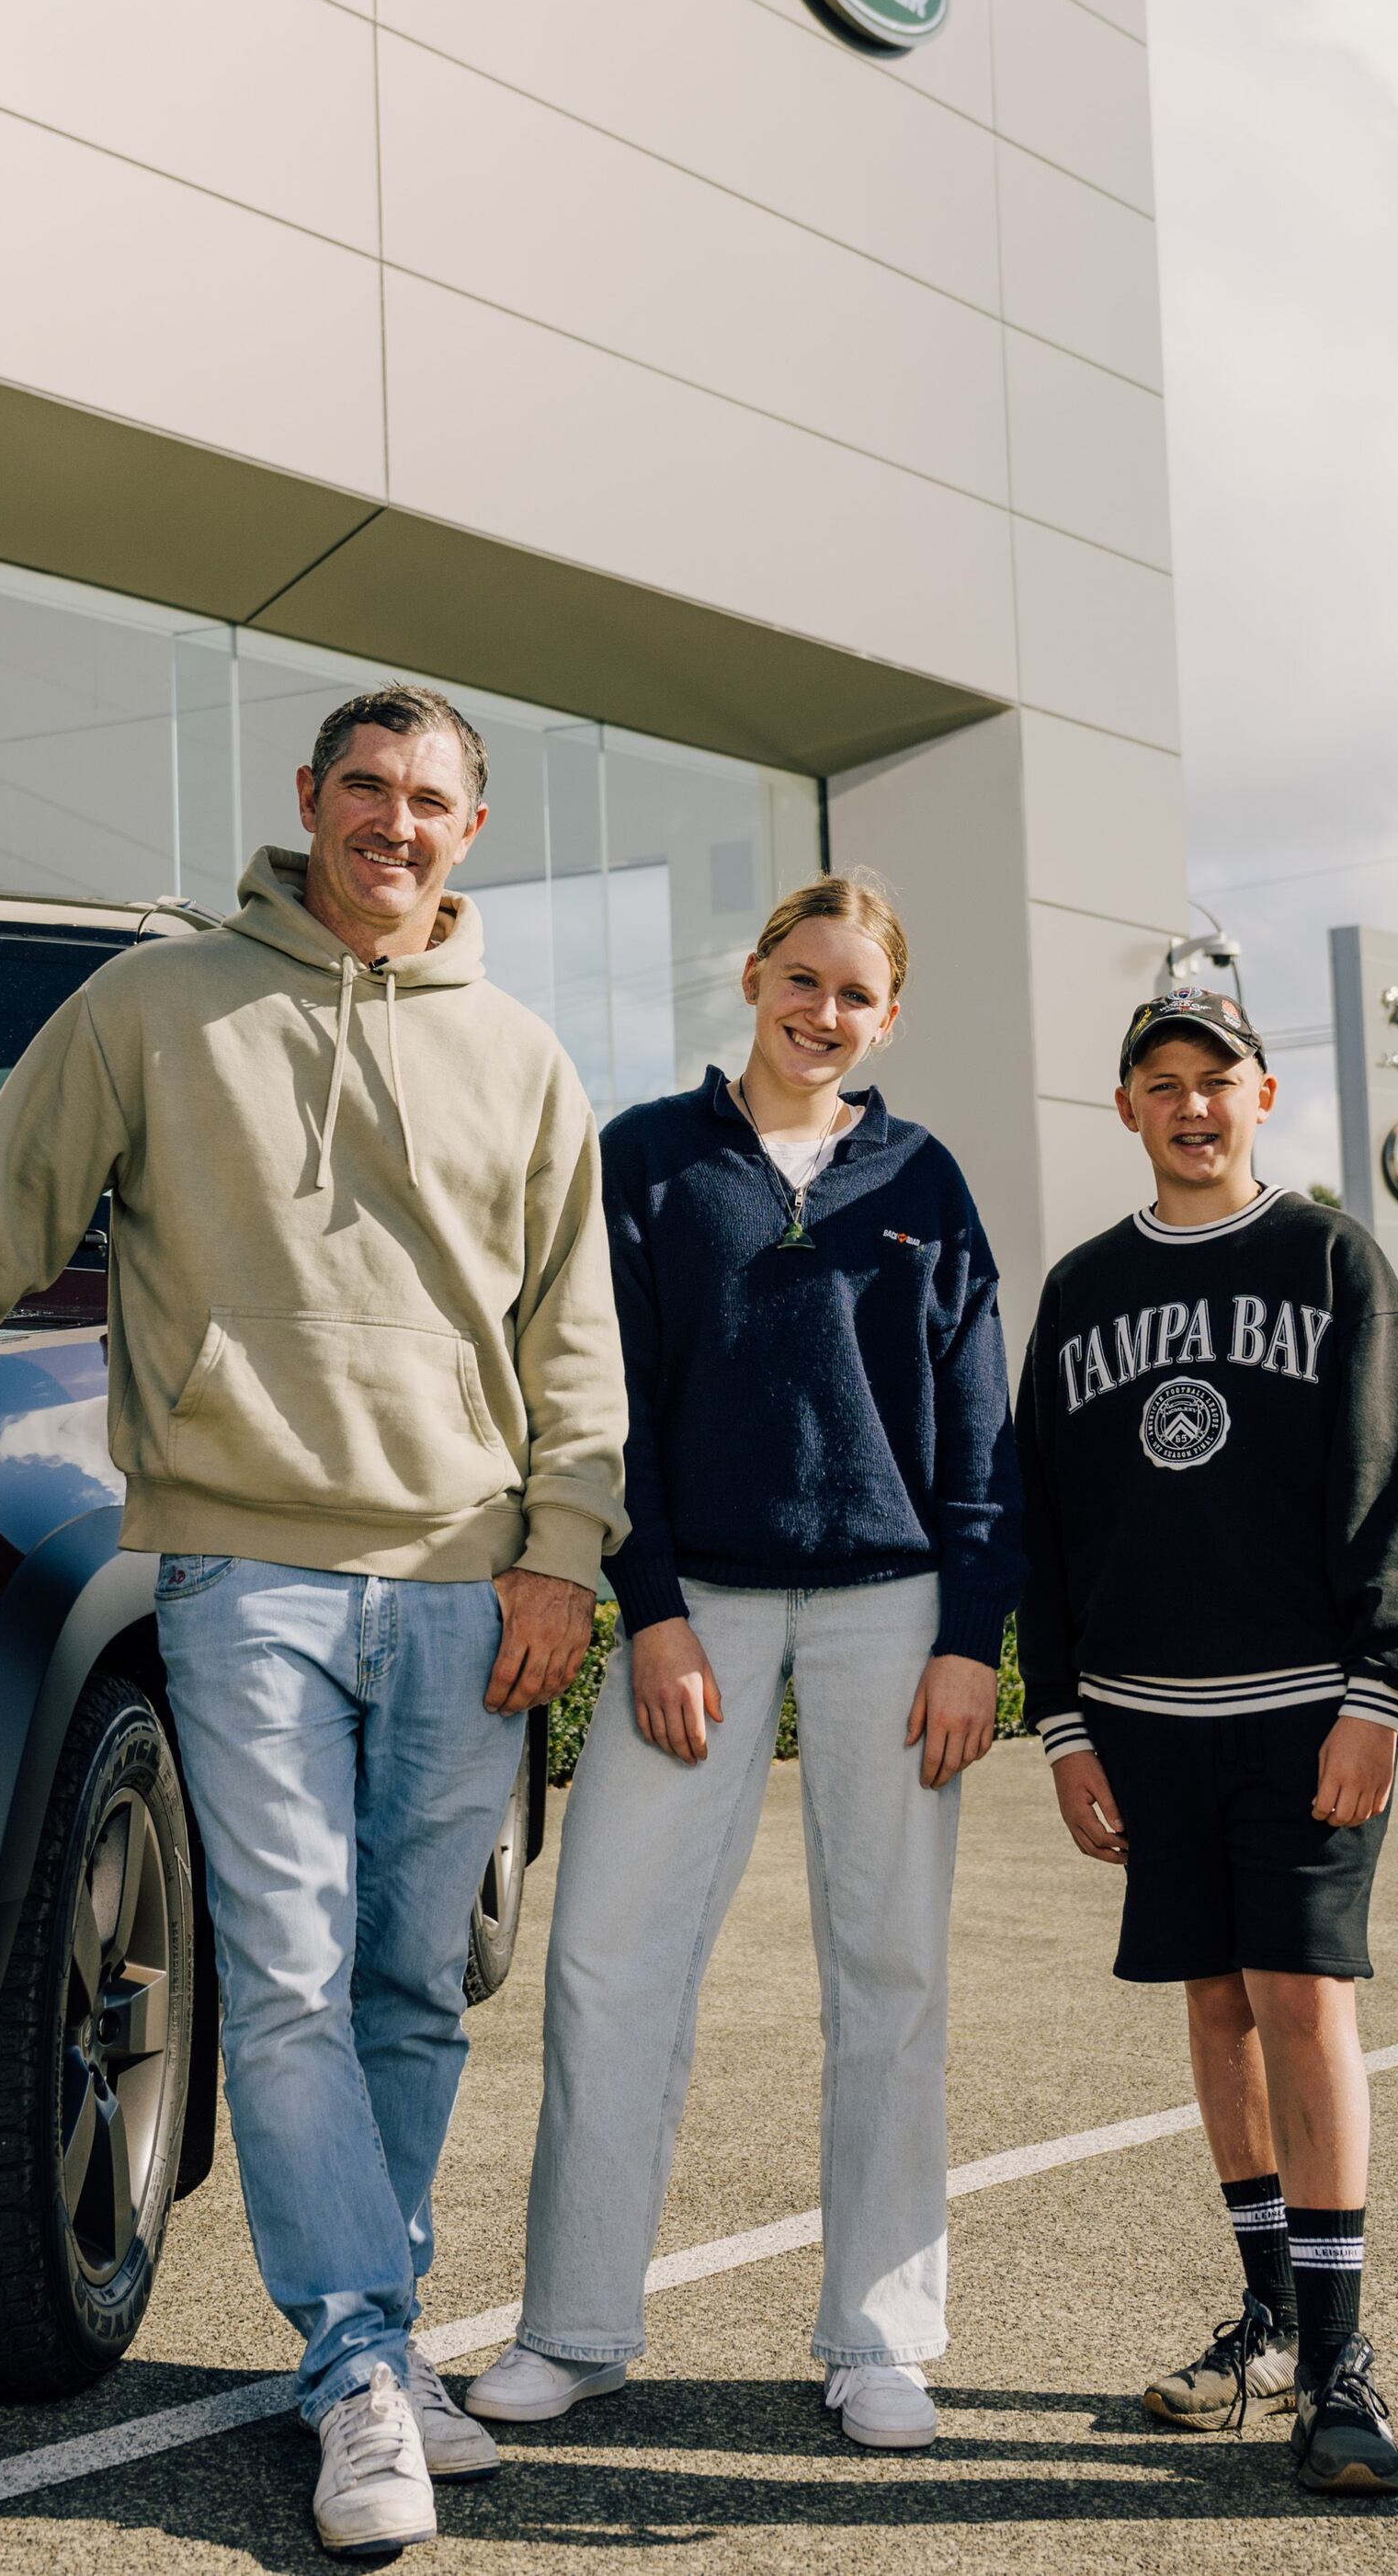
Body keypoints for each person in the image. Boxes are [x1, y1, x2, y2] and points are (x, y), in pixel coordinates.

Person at [0, 686, 617, 2565]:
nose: (394, 822)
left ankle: (373, 2321)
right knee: (280, 1971)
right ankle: (361, 2355)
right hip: (243, 1566)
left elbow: (572, 1338)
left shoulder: (523, 1057)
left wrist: (565, 1549)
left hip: (459, 1572)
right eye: (364, 786)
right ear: (306, 800)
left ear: (474, 826)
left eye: (429, 798)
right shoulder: (156, 1005)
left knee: (408, 1986)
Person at [466, 874, 1016, 2456]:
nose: (820, 1011)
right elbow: (598, 1395)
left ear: (886, 1016)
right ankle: (572, 2330)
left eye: (853, 992)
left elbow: (977, 1424)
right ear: (754, 979)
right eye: (799, 978)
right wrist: (648, 1605)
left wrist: (973, 1635)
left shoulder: (926, 1175)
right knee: (607, 1960)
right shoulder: (646, 1156)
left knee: (890, 1972)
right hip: (694, 1601)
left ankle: (879, 2337)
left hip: (890, 1607)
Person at [1020, 984, 1398, 2500]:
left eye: (1218, 1078)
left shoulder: (1329, 1256)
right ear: (1125, 1107)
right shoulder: (1080, 1289)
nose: (1192, 1104)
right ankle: (1264, 2317)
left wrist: (1381, 1693)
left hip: (1305, 1707)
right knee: (1215, 2005)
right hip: (1142, 1720)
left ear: (1265, 1095)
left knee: (1304, 1993)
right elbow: (1046, 1525)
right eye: (1161, 1082)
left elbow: (1397, 1486)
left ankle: (1338, 2361)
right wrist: (1061, 1722)